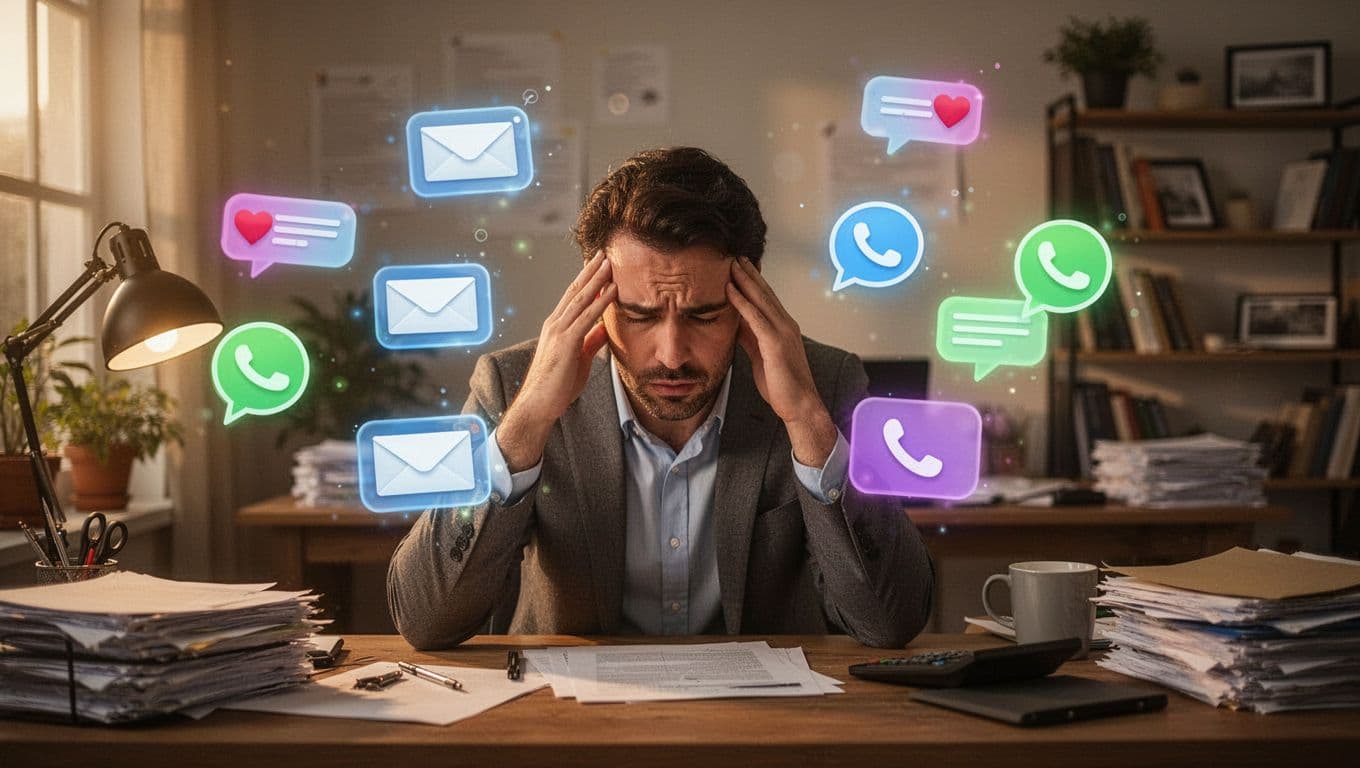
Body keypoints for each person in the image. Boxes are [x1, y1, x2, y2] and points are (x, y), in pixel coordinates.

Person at [387, 146, 934, 649]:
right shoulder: (511, 387)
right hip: (566, 726)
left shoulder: (825, 382)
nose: (671, 354)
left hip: (766, 729)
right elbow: (425, 620)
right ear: (594, 294)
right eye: (640, 315)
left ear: (750, 294)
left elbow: (891, 621)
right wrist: (527, 422)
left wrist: (808, 424)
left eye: (704, 314)